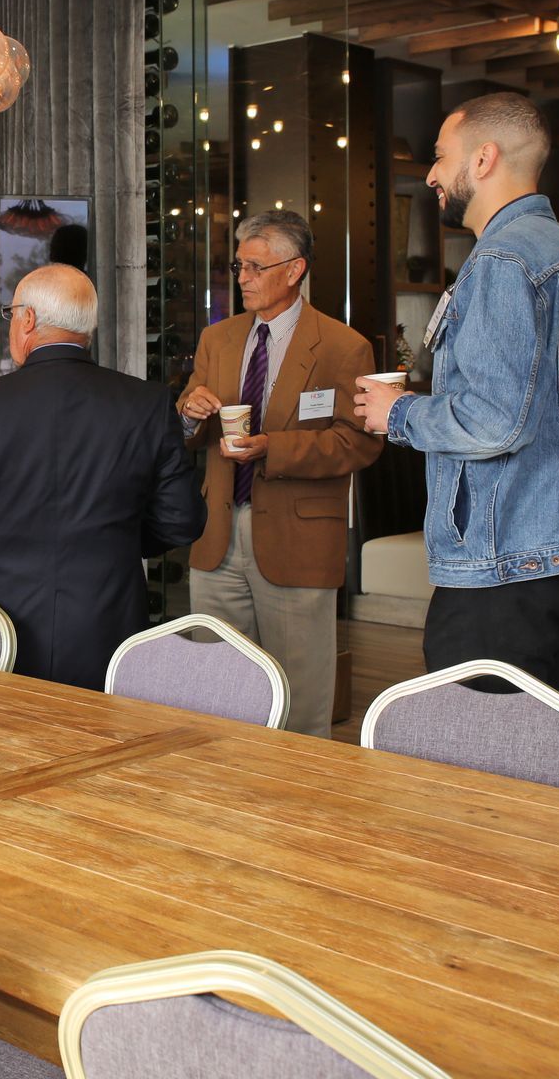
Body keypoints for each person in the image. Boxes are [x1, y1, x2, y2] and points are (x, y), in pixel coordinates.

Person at [355, 93, 559, 705]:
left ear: (483, 159)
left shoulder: (503, 259)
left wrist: (394, 412)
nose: (429, 175)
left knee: (480, 778)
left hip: (508, 566)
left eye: (439, 157)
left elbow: (495, 423)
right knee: (551, 759)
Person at [0, 264, 205, 690]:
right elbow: (182, 519)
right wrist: (117, 538)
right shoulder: (147, 403)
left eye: (10, 314)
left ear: (28, 319)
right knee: (101, 749)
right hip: (108, 625)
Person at [175, 211, 382, 737]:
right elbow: (190, 425)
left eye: (254, 266)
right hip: (218, 534)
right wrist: (187, 413)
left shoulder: (343, 346)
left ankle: (303, 807)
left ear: (294, 270)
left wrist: (274, 449)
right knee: (215, 688)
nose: (241, 277)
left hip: (298, 537)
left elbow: (357, 441)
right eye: (237, 264)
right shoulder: (217, 338)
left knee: (300, 696)